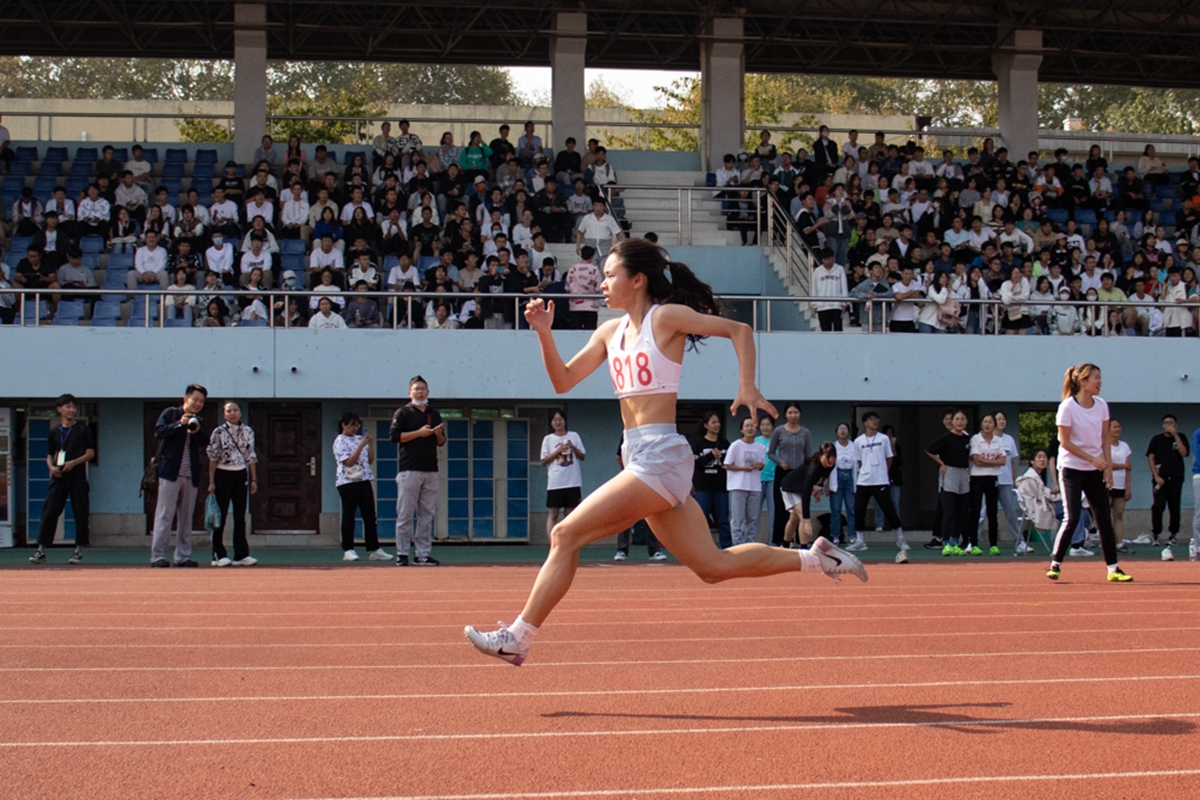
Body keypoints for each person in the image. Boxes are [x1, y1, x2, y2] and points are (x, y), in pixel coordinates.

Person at [465, 238, 866, 666]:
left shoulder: (666, 318)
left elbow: (740, 330)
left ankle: (519, 636)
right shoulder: (608, 332)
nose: (601, 282)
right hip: (640, 454)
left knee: (565, 534)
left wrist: (746, 384)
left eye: (610, 274)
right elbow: (562, 382)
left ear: (637, 280)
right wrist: (545, 334)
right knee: (712, 567)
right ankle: (816, 557)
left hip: (661, 452)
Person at [1047, 363, 1132, 582]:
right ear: (1083, 382)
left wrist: (1107, 466)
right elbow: (1064, 442)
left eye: (1100, 378)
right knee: (1072, 517)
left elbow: (1104, 438)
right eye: (1096, 378)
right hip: (1072, 468)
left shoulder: (1102, 406)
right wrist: (1092, 458)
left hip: (1095, 468)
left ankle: (1113, 569)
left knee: (1103, 518)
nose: (1100, 382)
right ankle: (1055, 563)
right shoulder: (1067, 407)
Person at [27, 394, 94, 566]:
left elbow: (90, 453)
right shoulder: (54, 431)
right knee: (50, 511)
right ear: (59, 409)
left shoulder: (82, 429)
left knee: (80, 512)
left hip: (77, 475)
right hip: (58, 476)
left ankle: (78, 551)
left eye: (73, 407)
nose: (71, 410)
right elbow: (49, 455)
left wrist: (73, 463)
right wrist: (51, 468)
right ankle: (41, 550)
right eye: (67, 406)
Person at [150, 384, 210, 568]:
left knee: (186, 517)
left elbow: (205, 441)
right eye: (195, 400)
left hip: (190, 474)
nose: (198, 404)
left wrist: (197, 429)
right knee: (164, 515)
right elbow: (159, 432)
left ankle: (183, 556)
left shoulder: (198, 420)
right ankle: (158, 556)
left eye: (201, 401)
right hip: (170, 473)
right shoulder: (171, 413)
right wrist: (179, 424)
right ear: (186, 399)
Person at [390, 376, 444, 566]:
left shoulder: (433, 413)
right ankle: (402, 553)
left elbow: (441, 441)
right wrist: (418, 433)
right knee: (405, 513)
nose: (420, 392)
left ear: (428, 392)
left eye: (423, 389)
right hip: (409, 469)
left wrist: (437, 434)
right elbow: (395, 436)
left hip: (430, 469)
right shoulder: (403, 412)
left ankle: (423, 553)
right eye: (416, 389)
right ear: (409, 392)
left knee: (426, 514)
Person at [206, 401, 259, 567]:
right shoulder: (219, 432)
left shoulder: (248, 431)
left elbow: (251, 456)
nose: (233, 413)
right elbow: (213, 458)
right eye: (229, 411)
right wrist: (211, 481)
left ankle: (241, 554)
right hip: (223, 473)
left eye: (235, 410)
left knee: (240, 514)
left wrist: (253, 479)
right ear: (224, 414)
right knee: (220, 514)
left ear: (240, 413)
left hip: (240, 473)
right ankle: (218, 553)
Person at [333, 412, 390, 562]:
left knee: (370, 514)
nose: (355, 428)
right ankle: (348, 549)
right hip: (347, 481)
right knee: (349, 514)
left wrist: (369, 446)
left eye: (357, 425)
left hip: (364, 479)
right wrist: (360, 446)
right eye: (351, 425)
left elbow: (369, 460)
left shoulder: (360, 439)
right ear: (343, 425)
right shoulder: (340, 441)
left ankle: (374, 548)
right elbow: (349, 462)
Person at [850, 411, 906, 552]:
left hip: (880, 480)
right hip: (864, 481)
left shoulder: (884, 439)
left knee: (889, 508)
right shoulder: (858, 441)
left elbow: (889, 457)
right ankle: (860, 540)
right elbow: (859, 461)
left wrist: (883, 471)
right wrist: (867, 471)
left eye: (876, 419)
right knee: (859, 510)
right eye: (871, 419)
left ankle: (900, 538)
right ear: (865, 423)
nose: (874, 422)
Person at [613, 434, 667, 562]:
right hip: (630, 479)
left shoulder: (651, 435)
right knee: (625, 514)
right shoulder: (628, 434)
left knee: (650, 513)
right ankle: (622, 550)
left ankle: (654, 551)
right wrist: (626, 472)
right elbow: (619, 457)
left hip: (649, 479)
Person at [926, 409, 972, 555]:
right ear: (952, 422)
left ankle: (955, 542)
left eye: (962, 419)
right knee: (949, 511)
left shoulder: (968, 439)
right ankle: (945, 543)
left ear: (966, 422)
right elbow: (929, 450)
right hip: (950, 473)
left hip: (964, 473)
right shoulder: (947, 437)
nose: (959, 422)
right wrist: (941, 463)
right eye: (957, 419)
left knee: (961, 512)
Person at [767, 402, 812, 546]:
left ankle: (800, 542)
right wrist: (780, 462)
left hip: (799, 475)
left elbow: (809, 456)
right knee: (781, 509)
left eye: (796, 412)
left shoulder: (805, 432)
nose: (793, 416)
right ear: (785, 414)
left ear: (800, 414)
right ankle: (779, 541)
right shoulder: (779, 431)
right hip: (783, 473)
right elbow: (771, 453)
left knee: (800, 510)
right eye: (790, 413)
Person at [540, 409, 586, 543]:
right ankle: (552, 543)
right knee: (553, 514)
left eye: (560, 419)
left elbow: (582, 456)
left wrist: (573, 447)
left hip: (573, 481)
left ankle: (567, 542)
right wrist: (558, 451)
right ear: (551, 423)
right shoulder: (548, 439)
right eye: (555, 420)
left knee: (570, 514)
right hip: (556, 482)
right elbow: (543, 461)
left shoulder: (574, 436)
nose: (558, 422)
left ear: (565, 421)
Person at [1146, 413, 1189, 550]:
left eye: (1171, 423)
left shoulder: (1181, 437)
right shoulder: (1156, 439)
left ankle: (1173, 534)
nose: (1168, 425)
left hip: (1176, 478)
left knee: (1175, 506)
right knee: (1158, 506)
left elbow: (1184, 453)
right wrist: (1156, 476)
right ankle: (1156, 534)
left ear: (1175, 425)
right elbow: (1151, 458)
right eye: (1166, 423)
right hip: (1160, 479)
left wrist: (1175, 435)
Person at [966, 413, 1007, 556]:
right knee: (975, 510)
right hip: (977, 477)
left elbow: (1003, 461)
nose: (987, 424)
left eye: (990, 422)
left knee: (992, 512)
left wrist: (986, 462)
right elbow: (977, 461)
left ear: (994, 425)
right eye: (984, 422)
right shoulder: (975, 439)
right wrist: (993, 462)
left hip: (993, 477)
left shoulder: (998, 440)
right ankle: (974, 543)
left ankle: (993, 544)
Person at [691, 411, 732, 549]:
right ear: (706, 425)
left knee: (723, 520)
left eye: (718, 422)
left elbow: (731, 463)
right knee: (702, 519)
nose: (717, 425)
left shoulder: (724, 443)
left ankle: (726, 547)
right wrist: (710, 456)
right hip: (703, 487)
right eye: (713, 422)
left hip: (721, 487)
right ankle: (700, 547)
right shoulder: (698, 444)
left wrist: (721, 457)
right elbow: (694, 463)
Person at [724, 417, 766, 546]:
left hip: (755, 486)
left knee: (752, 519)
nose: (750, 428)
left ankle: (750, 546)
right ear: (742, 429)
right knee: (737, 519)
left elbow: (762, 465)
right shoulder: (736, 445)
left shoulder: (759, 447)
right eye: (746, 426)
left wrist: (760, 465)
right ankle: (737, 546)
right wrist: (744, 468)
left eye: (752, 426)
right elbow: (727, 465)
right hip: (738, 486)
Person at [829, 422, 857, 546]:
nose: (842, 431)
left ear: (849, 432)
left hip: (851, 477)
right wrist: (826, 484)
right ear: (836, 432)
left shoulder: (854, 446)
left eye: (845, 429)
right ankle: (835, 535)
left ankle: (853, 535)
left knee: (851, 508)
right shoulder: (832, 447)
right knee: (836, 509)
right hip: (837, 477)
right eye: (840, 429)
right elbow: (828, 466)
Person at [1108, 419, 1133, 547]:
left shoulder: (1124, 446)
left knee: (1118, 515)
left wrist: (1128, 487)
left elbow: (1129, 469)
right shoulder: (1104, 445)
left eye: (1119, 426)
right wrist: (1123, 465)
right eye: (1114, 427)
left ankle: (1119, 543)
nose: (1117, 429)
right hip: (1107, 484)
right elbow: (1107, 465)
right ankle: (1105, 543)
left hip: (1121, 485)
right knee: (1105, 516)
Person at [755, 416, 777, 540]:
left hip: (773, 479)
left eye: (768, 425)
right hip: (757, 480)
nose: (765, 427)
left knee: (773, 514)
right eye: (762, 425)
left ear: (773, 427)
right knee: (754, 514)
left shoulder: (777, 440)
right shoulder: (756, 440)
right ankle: (752, 542)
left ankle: (772, 542)